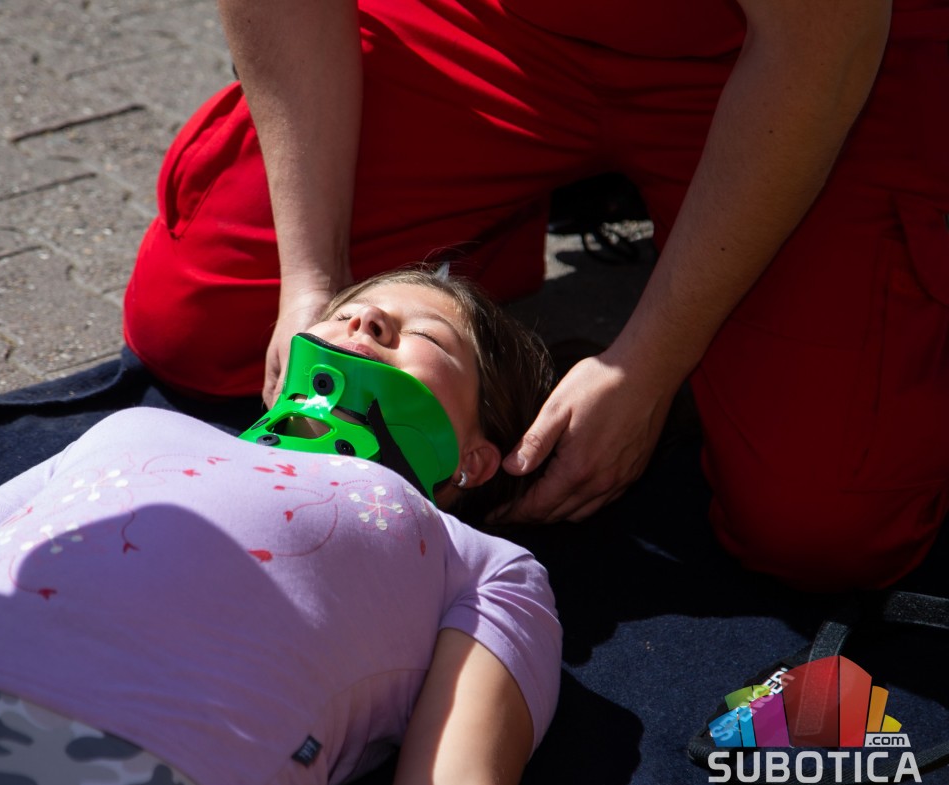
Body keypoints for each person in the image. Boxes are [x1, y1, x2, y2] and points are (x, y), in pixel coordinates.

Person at [121, 0, 949, 592]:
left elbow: (818, 53)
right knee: (197, 327)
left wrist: (649, 362)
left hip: (792, 51)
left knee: (824, 531)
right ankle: (490, 239)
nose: (358, 322)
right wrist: (310, 277)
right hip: (499, 25)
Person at [0, 269, 562, 785]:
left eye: (428, 335)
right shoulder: (135, 430)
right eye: (348, 310)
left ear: (477, 458)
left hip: (129, 761)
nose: (369, 317)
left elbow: (453, 784)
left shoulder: (483, 563)